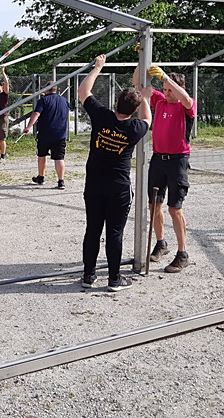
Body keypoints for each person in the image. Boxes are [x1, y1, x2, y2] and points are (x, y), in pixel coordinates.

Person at [78, 55, 152, 291]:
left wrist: (97, 68)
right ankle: (114, 278)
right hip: (118, 188)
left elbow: (83, 91)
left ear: (116, 102)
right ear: (134, 109)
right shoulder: (134, 128)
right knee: (115, 232)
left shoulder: (102, 116)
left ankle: (88, 275)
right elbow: (147, 119)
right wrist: (144, 98)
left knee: (93, 230)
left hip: (94, 184)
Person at [134, 63, 197, 274]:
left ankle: (182, 253)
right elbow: (137, 83)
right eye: (165, 90)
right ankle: (161, 243)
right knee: (154, 205)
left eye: (170, 90)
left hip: (178, 161)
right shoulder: (160, 102)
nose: (167, 93)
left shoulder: (186, 105)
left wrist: (165, 78)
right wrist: (141, 60)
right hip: (158, 159)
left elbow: (186, 99)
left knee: (174, 208)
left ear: (180, 89)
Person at [23, 82, 70, 189]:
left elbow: (36, 114)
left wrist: (28, 127)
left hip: (45, 133)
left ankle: (41, 177)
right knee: (59, 158)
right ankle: (61, 181)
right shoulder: (64, 101)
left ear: (47, 89)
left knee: (42, 155)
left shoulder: (43, 100)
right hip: (60, 134)